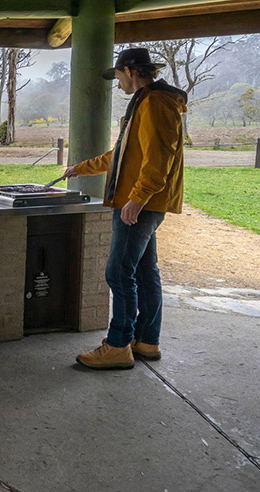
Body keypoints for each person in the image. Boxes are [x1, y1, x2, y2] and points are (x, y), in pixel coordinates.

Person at [59, 47, 188, 370]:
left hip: (139, 204)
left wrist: (137, 198)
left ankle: (118, 345)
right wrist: (80, 168)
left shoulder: (157, 103)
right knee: (144, 272)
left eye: (117, 77)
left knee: (118, 272)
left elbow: (160, 157)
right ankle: (145, 340)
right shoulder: (145, 101)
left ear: (130, 70)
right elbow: (120, 155)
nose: (117, 84)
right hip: (141, 201)